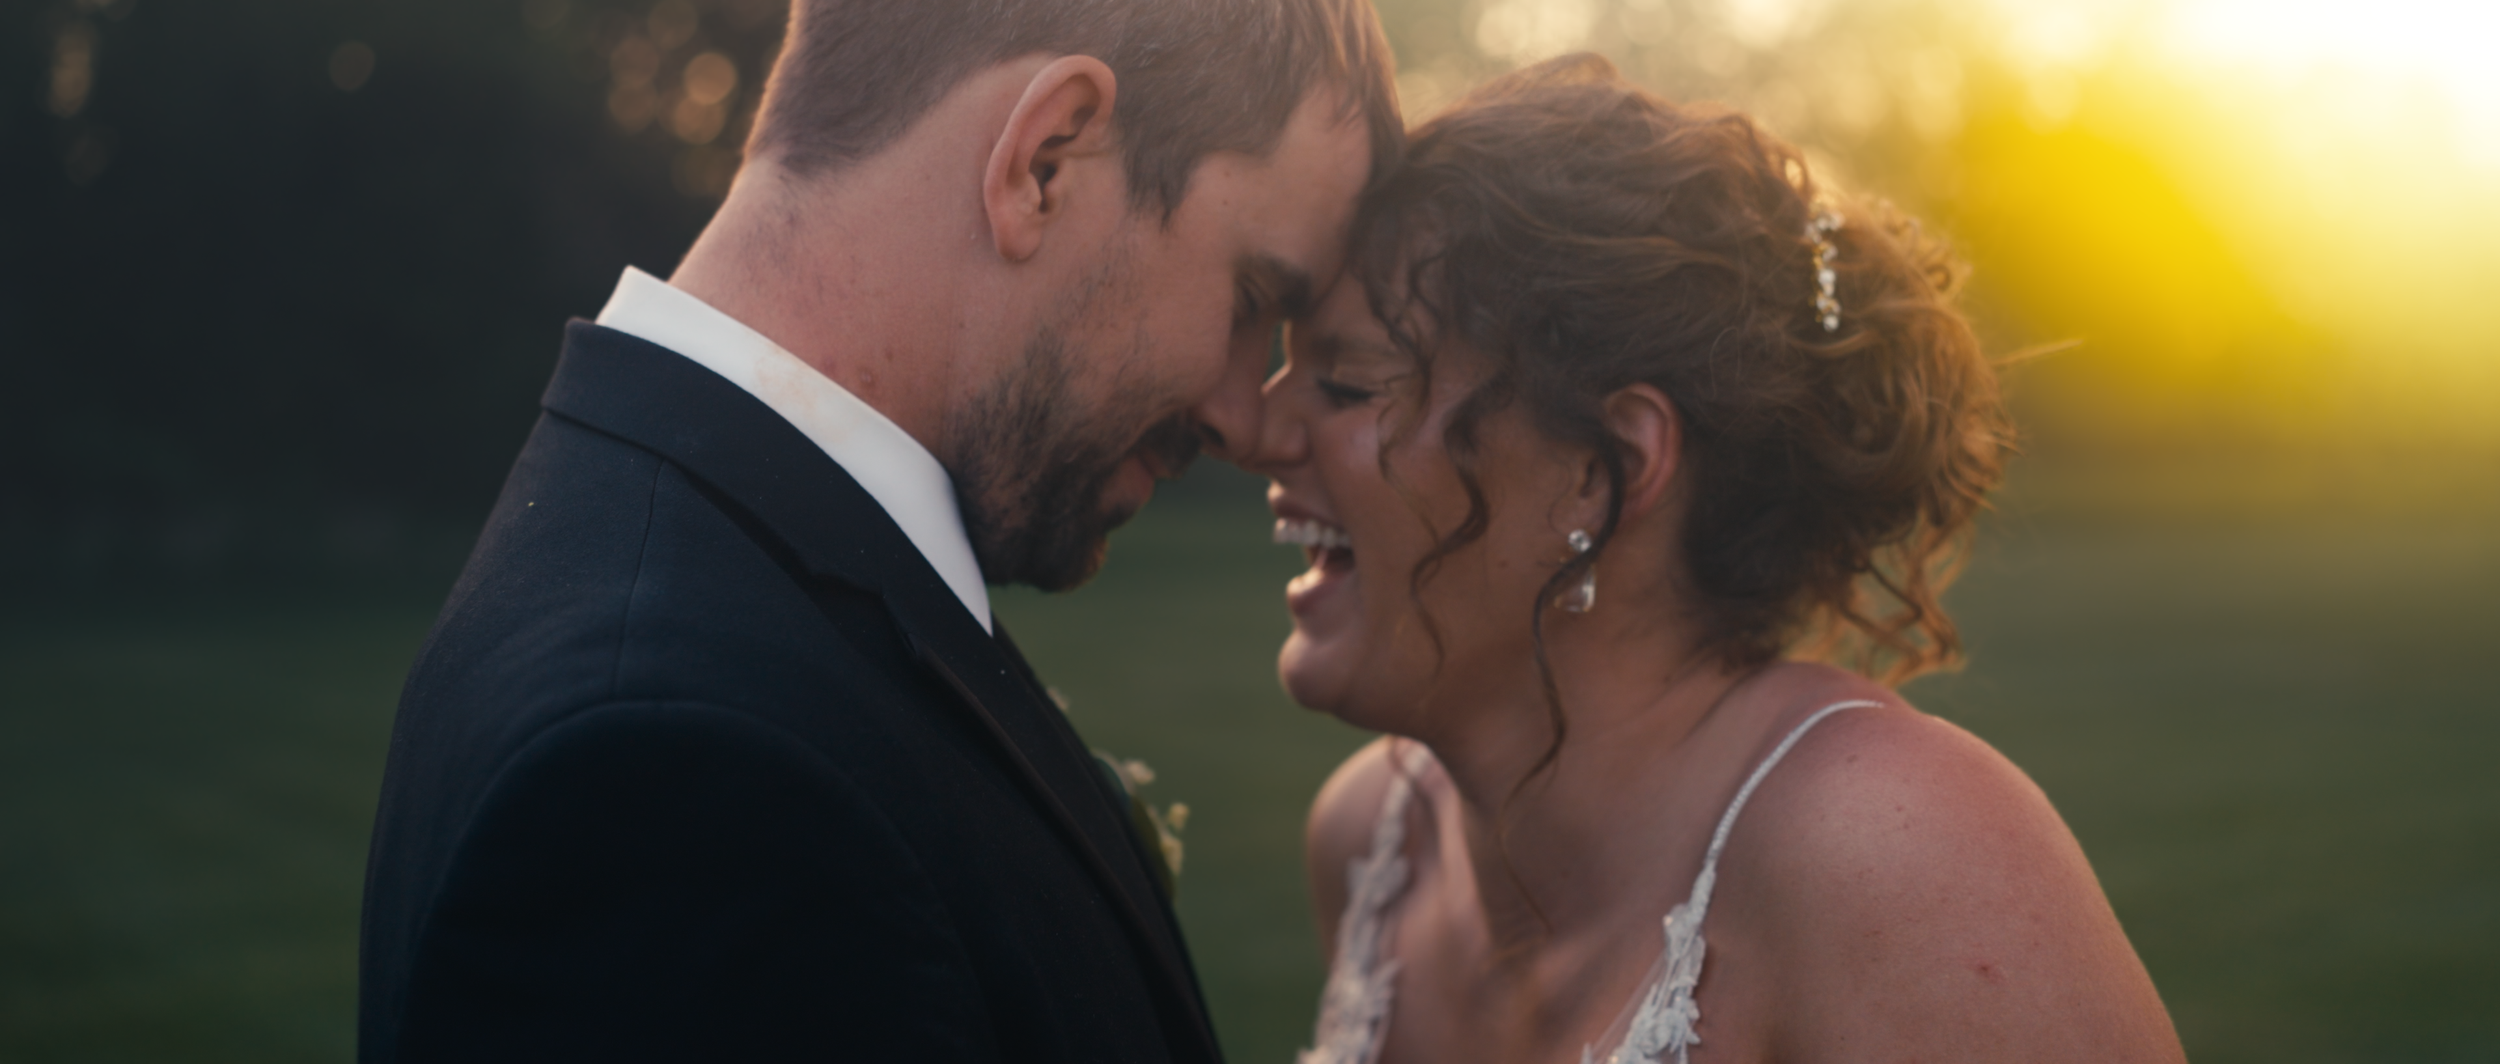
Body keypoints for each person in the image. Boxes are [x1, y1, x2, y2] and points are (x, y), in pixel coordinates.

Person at [356, 1, 1400, 1060]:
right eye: (1249, 298)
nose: (1240, 412)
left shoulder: (727, 569)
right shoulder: (677, 771)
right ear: (1043, 161)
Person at [1259, 56, 2186, 1064]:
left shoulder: (1896, 853)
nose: (1257, 427)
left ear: (1604, 466)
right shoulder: (1369, 842)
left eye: (1347, 383)